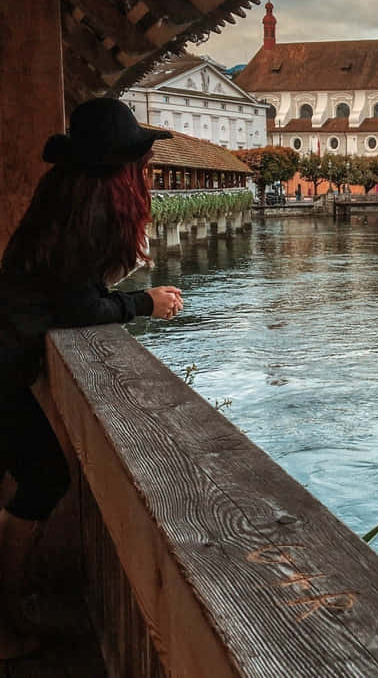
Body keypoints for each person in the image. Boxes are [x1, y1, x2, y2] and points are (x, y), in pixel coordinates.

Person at [0, 98, 183, 660]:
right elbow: (82, 308)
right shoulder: (93, 214)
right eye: (141, 164)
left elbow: (67, 291)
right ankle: (5, 614)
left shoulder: (63, 199)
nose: (146, 173)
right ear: (120, 169)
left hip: (8, 351)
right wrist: (145, 303)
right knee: (45, 476)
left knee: (32, 473)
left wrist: (116, 290)